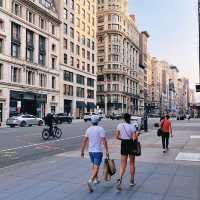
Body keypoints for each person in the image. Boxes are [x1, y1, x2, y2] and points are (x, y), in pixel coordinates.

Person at [80, 115, 109, 193]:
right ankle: (90, 180)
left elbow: (84, 141)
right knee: (96, 166)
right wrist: (107, 150)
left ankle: (96, 179)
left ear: (91, 121)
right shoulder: (101, 129)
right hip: (98, 151)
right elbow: (104, 141)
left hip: (90, 151)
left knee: (93, 165)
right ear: (98, 121)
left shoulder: (88, 130)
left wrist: (82, 151)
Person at [115, 113, 138, 191]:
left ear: (123, 118)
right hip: (131, 144)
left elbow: (117, 137)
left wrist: (123, 139)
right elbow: (134, 138)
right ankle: (131, 181)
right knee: (132, 163)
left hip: (124, 144)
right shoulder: (132, 127)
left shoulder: (119, 126)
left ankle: (120, 179)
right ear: (130, 118)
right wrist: (136, 135)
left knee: (123, 163)